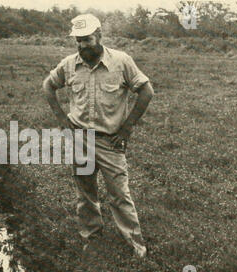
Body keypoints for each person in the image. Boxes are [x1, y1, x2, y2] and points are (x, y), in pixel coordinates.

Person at [43, 14, 154, 258]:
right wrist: (63, 120)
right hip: (80, 140)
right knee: (85, 193)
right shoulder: (69, 64)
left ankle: (137, 247)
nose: (83, 46)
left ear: (100, 35)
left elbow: (146, 91)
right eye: (78, 41)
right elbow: (48, 86)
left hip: (110, 141)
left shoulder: (121, 61)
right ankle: (91, 237)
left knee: (120, 195)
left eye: (87, 40)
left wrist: (127, 128)